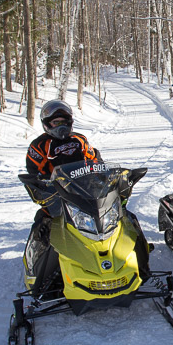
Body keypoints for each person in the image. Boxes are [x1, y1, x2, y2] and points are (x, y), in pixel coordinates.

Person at [25, 100, 102, 253]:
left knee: (121, 215)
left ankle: (139, 252)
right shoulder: (39, 145)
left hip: (85, 190)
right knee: (43, 223)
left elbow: (95, 160)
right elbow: (34, 172)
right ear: (47, 124)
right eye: (56, 122)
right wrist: (43, 184)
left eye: (63, 121)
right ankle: (38, 261)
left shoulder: (79, 139)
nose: (60, 125)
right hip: (57, 194)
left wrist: (100, 177)